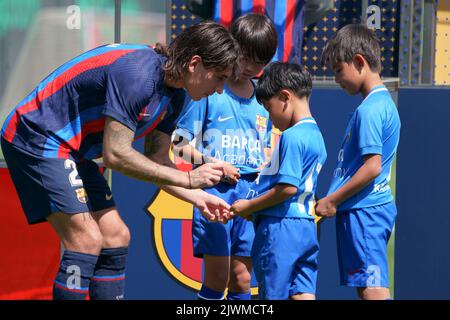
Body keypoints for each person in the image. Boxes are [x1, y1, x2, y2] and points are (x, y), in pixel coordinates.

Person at [0, 21, 239, 300]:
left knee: (116, 236)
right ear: (194, 63)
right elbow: (116, 154)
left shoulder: (178, 96)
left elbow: (158, 159)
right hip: (35, 136)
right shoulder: (139, 74)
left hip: (71, 150)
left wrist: (198, 197)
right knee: (85, 239)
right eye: (219, 77)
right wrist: (188, 178)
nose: (221, 89)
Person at [172, 13, 277, 300]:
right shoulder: (209, 90)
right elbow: (178, 144)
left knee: (242, 280)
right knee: (217, 277)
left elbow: (267, 148)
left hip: (250, 195)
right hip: (215, 194)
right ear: (232, 49)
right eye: (245, 58)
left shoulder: (264, 100)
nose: (249, 67)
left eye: (259, 62)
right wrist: (211, 163)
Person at [317, 24, 401, 300]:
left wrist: (332, 200)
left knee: (372, 287)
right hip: (366, 211)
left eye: (338, 70)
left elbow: (372, 166)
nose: (336, 78)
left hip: (365, 211)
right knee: (366, 284)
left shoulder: (370, 110)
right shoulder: (380, 104)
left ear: (359, 62)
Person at [230, 62, 327, 300]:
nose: (270, 118)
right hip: (306, 227)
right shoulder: (317, 135)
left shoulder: (291, 137)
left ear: (285, 97)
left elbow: (286, 189)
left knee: (272, 295)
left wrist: (248, 207)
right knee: (303, 292)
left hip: (279, 227)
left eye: (269, 108)